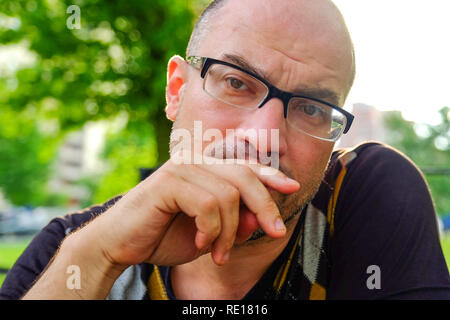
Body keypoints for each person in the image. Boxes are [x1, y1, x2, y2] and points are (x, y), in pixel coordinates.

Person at [1, 0, 449, 300]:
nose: (264, 137)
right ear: (176, 90)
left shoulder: (362, 196)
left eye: (312, 108)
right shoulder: (70, 249)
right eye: (236, 83)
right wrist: (97, 257)